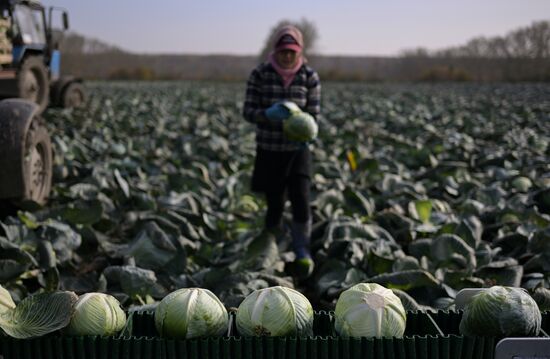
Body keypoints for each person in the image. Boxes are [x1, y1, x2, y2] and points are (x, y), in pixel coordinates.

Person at [242, 25, 321, 277]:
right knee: (274, 202)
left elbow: (315, 114)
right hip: (270, 149)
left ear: (299, 52)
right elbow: (248, 111)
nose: (288, 56)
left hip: (298, 152)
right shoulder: (260, 74)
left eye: (292, 51)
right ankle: (270, 247)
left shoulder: (309, 76)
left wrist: (309, 133)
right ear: (276, 51)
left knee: (301, 199)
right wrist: (266, 114)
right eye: (284, 51)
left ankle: (301, 249)